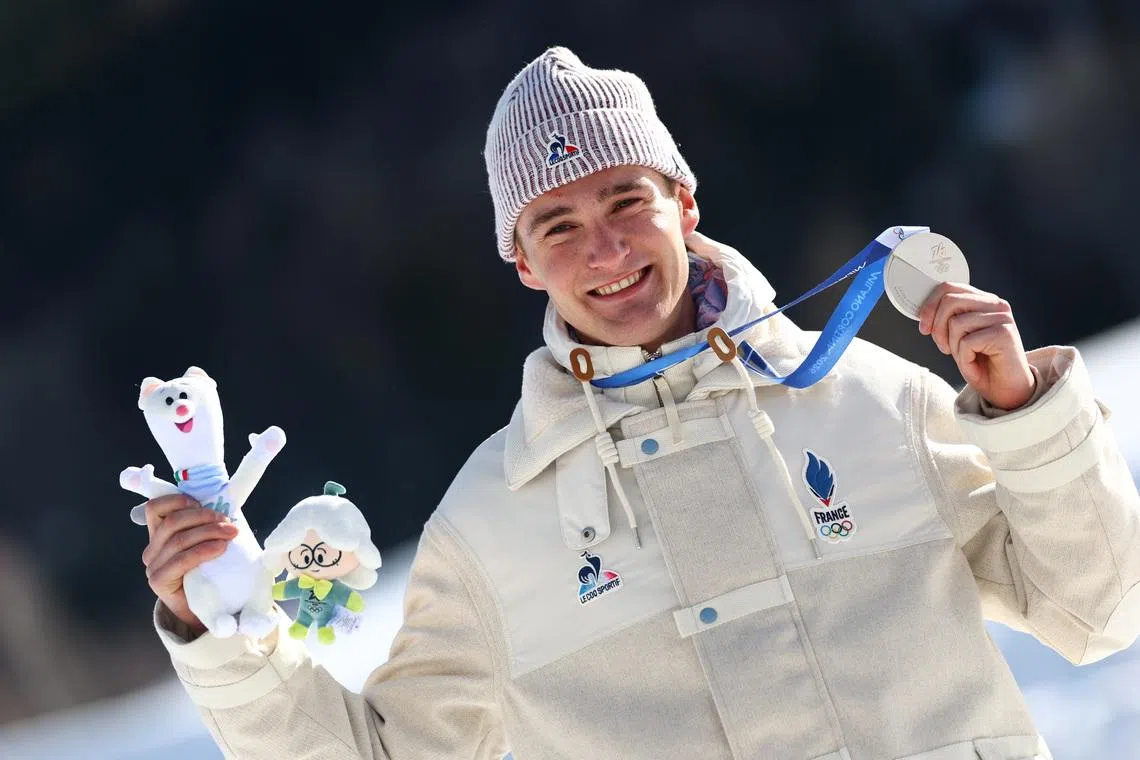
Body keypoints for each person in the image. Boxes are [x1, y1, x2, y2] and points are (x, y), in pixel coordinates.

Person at [140, 47, 1140, 759]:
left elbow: (1098, 611)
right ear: (521, 260)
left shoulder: (874, 401)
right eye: (559, 224)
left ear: (683, 202)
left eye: (627, 200)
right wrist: (218, 634)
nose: (607, 250)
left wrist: (1023, 414)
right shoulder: (492, 523)